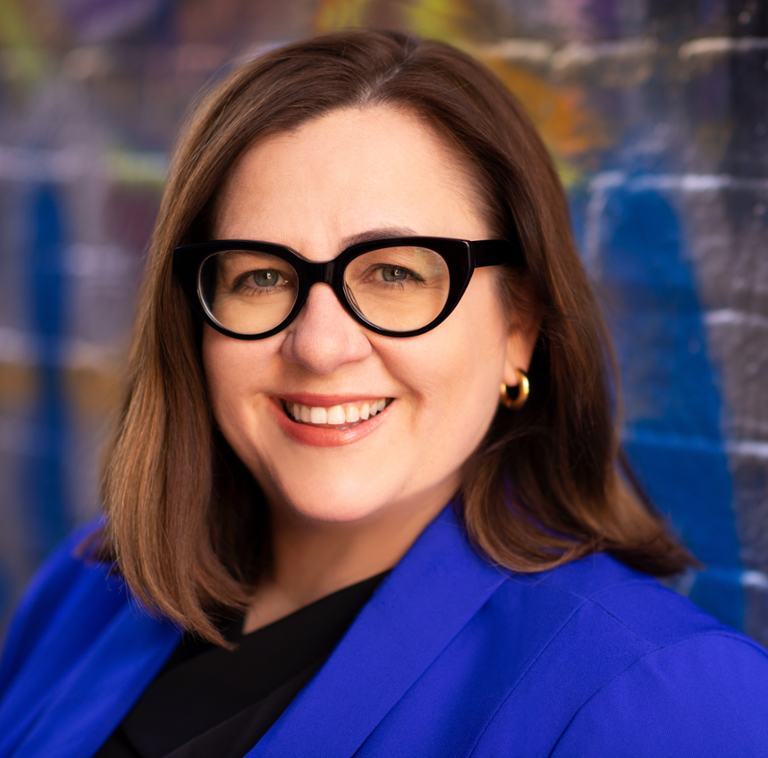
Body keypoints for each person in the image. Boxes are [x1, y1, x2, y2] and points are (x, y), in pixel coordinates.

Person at [1, 29, 767, 758]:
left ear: (519, 328)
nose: (321, 346)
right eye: (261, 277)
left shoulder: (667, 698)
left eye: (396, 273)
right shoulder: (87, 591)